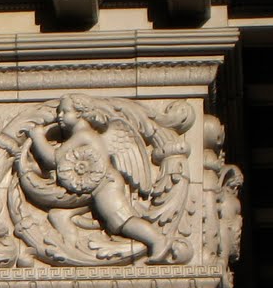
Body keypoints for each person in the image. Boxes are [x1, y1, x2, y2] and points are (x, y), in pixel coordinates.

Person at [23, 96, 174, 262]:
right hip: (90, 188)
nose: (59, 115)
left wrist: (38, 137)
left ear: (80, 113)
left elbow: (54, 158)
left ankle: (156, 239)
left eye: (65, 111)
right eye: (58, 111)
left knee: (121, 220)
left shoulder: (84, 135)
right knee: (58, 214)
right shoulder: (81, 135)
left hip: (105, 186)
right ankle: (71, 247)